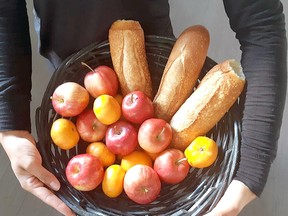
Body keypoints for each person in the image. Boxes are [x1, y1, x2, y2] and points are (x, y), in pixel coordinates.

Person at [0, 0, 286, 215]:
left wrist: (249, 174)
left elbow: (261, 23)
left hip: (151, 54)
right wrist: (10, 125)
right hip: (72, 76)